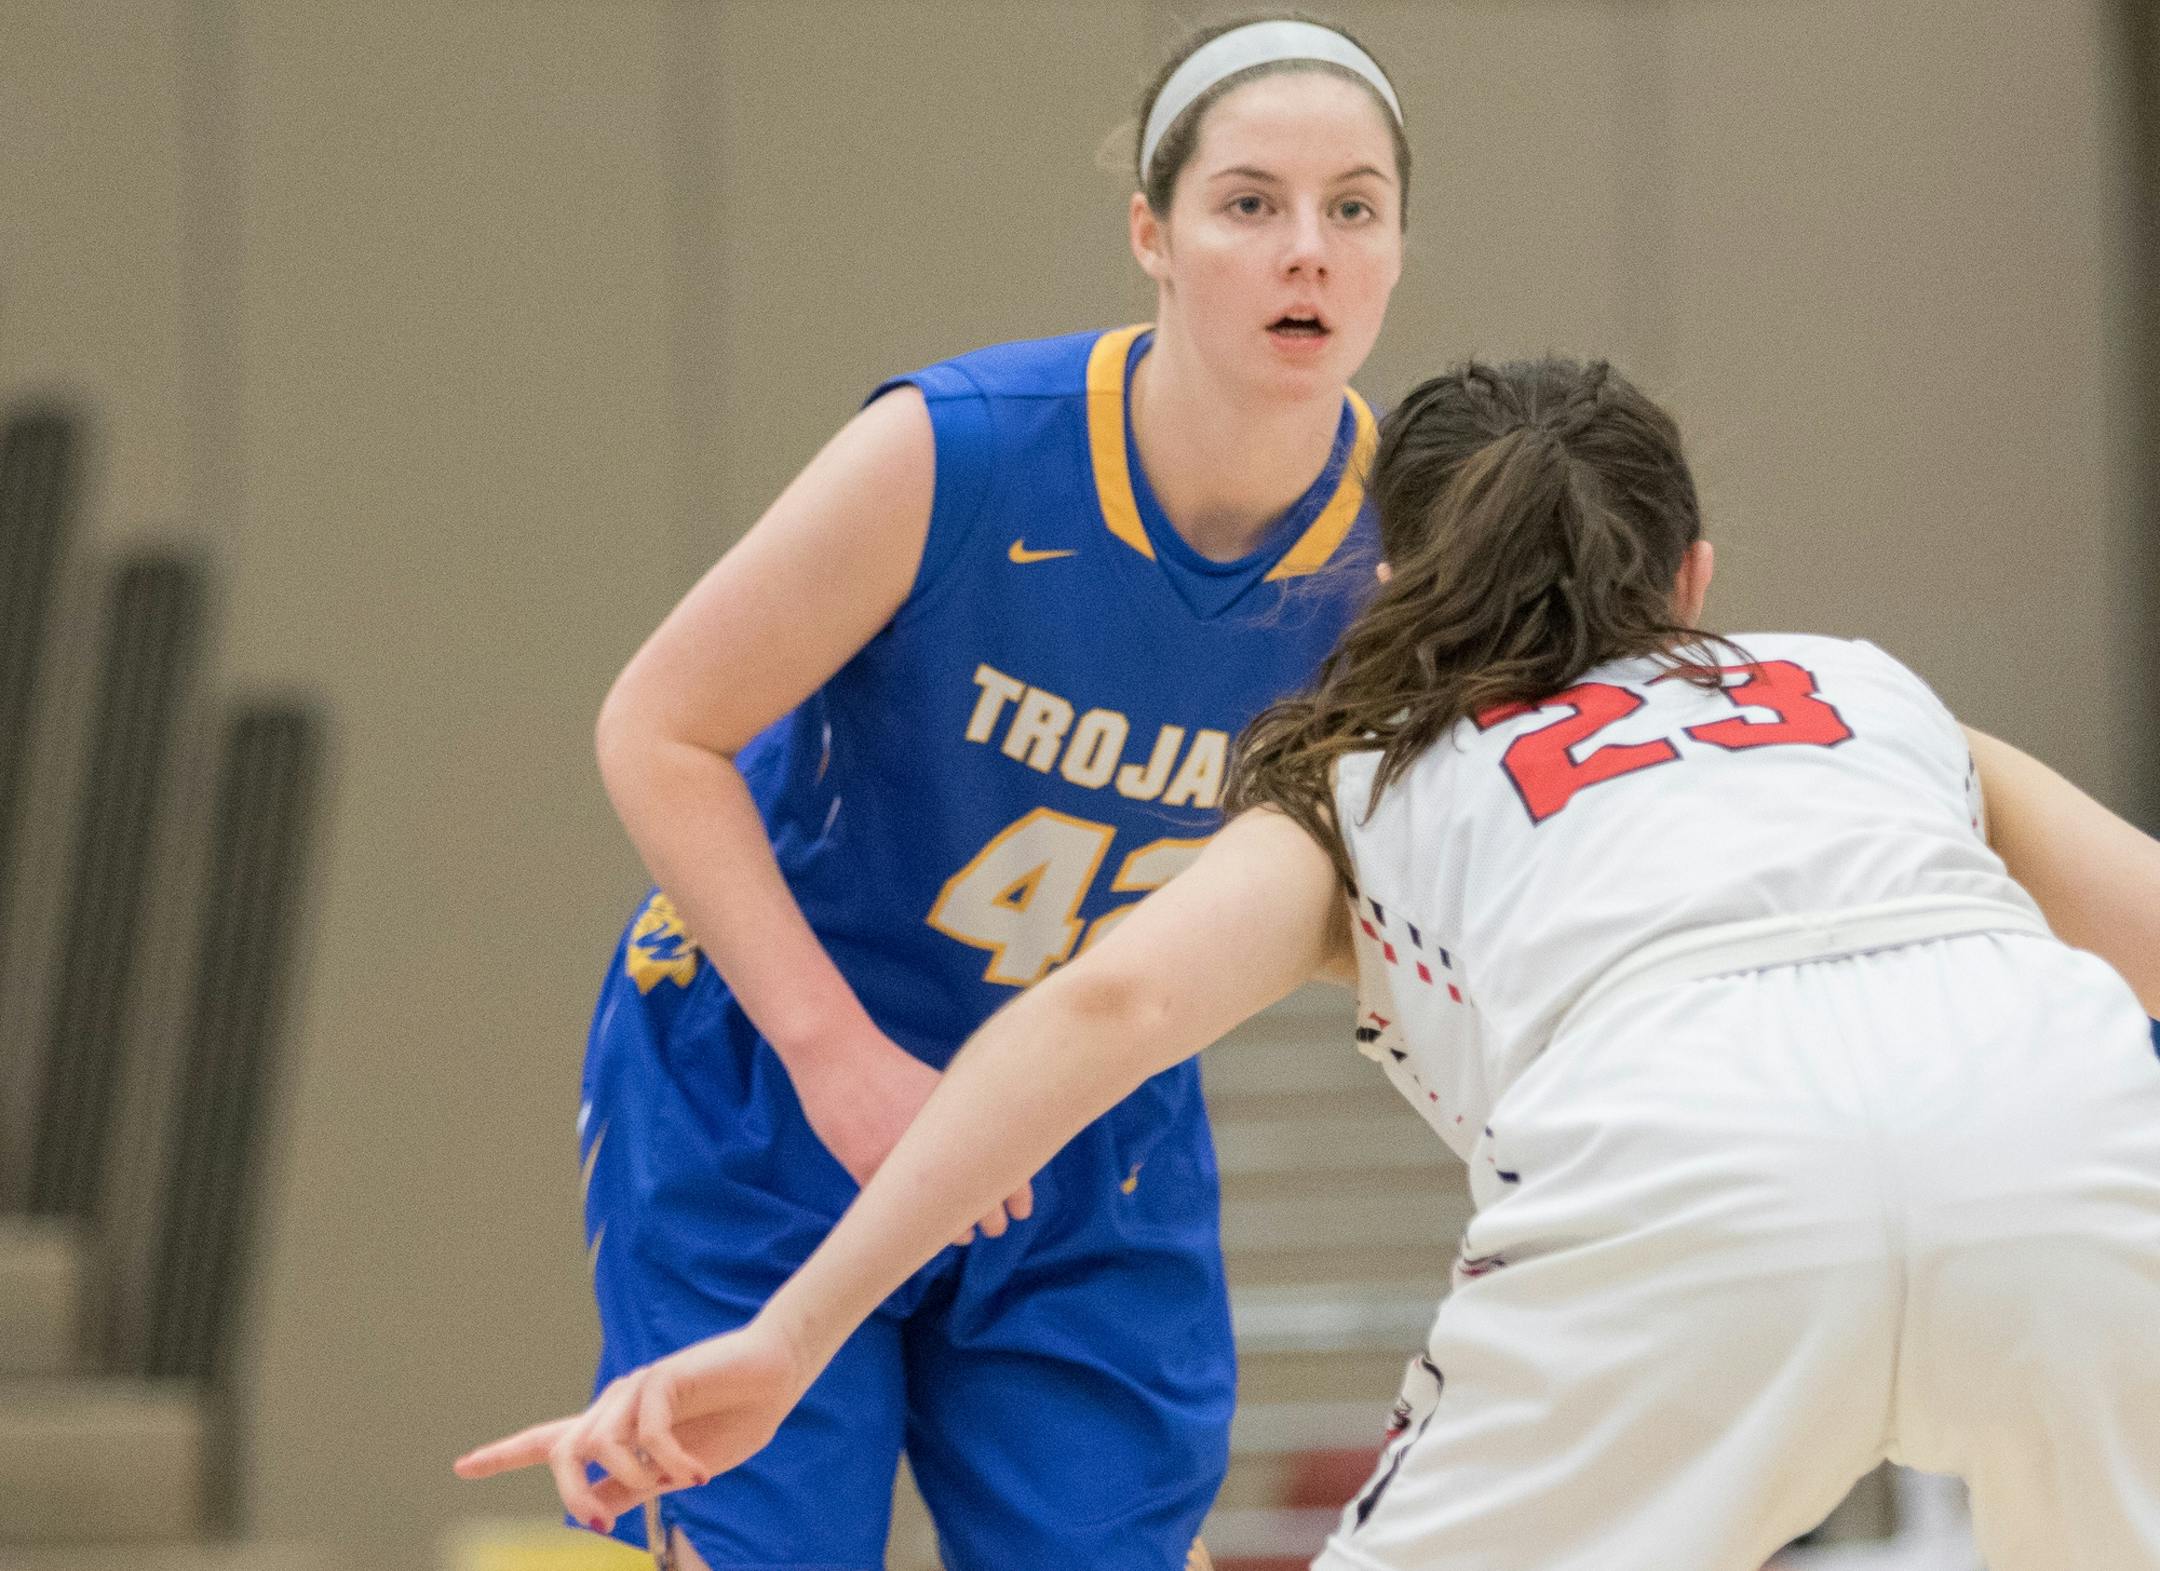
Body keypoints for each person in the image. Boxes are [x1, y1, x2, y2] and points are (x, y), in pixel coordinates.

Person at [460, 356, 2160, 1571]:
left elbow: (1106, 1008)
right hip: (2077, 1154)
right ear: (1699, 581)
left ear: (1390, 583)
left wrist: (796, 1330)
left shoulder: (1377, 780)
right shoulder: (1870, 692)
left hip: (1694, 1177)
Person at [483, 15, 1411, 1571]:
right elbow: (658, 728)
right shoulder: (962, 452)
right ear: (1154, 235)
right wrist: (835, 1051)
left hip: (1086, 1114)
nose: (1303, 252)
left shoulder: (1399, 553)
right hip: (774, 1081)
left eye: (1354, 208)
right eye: (1249, 203)